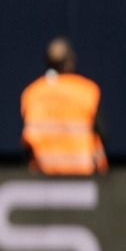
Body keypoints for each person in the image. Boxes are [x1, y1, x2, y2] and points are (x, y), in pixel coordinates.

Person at [19, 37, 107, 176]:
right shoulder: (86, 91)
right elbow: (100, 133)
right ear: (70, 61)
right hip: (82, 175)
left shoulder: (32, 92)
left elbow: (27, 142)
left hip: (44, 174)